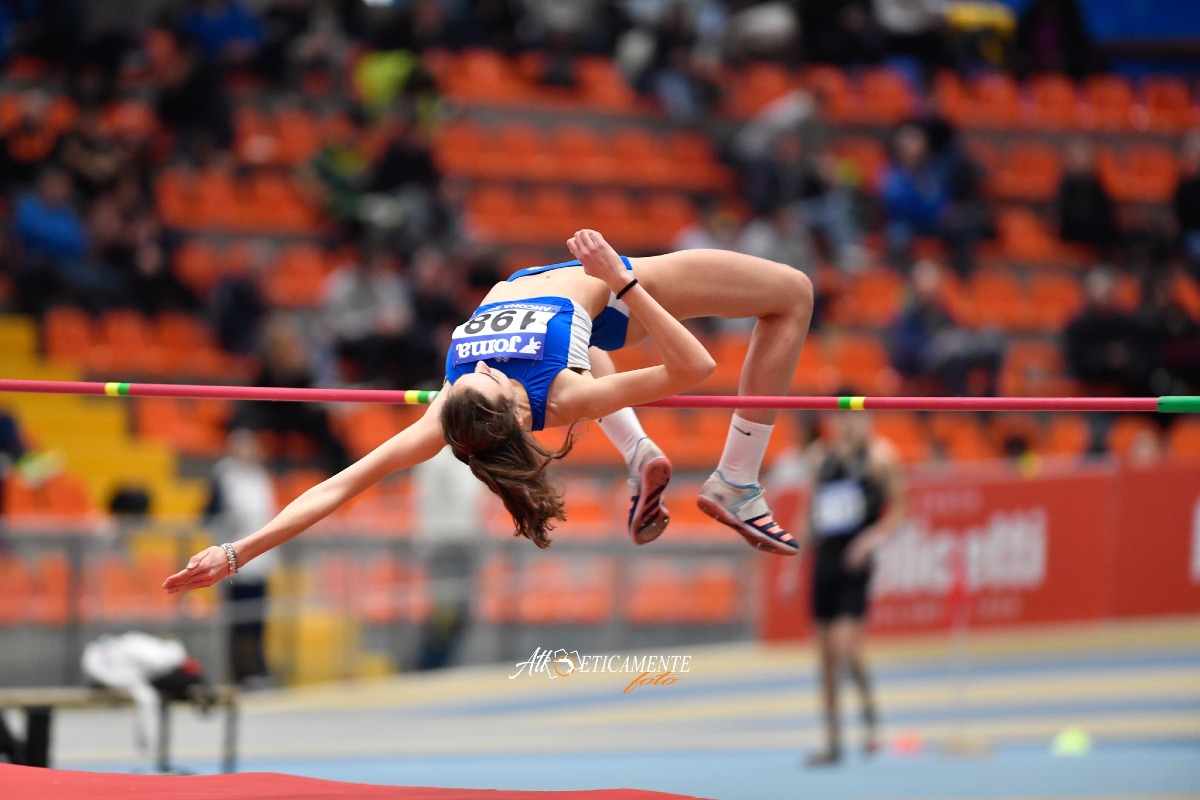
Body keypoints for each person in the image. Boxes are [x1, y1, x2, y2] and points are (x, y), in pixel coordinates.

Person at [164, 229, 814, 594]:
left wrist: (235, 551)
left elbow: (338, 487)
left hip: (569, 296)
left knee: (594, 355)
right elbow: (695, 369)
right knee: (792, 294)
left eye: (467, 376)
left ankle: (639, 453)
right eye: (485, 381)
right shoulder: (558, 396)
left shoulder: (451, 409)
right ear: (513, 409)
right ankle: (735, 479)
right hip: (607, 287)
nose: (476, 369)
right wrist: (623, 282)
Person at [801, 409, 906, 767]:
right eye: (840, 418)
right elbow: (808, 510)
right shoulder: (820, 458)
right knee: (827, 658)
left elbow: (899, 510)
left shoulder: (880, 459)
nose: (847, 425)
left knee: (846, 648)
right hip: (825, 561)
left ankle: (869, 717)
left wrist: (870, 541)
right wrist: (794, 559)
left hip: (855, 563)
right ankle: (833, 741)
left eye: (855, 418)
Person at [202, 429, 278, 686]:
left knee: (257, 620)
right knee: (237, 621)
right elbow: (208, 515)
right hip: (234, 561)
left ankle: (258, 669)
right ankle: (238, 673)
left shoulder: (260, 477)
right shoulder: (225, 476)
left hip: (260, 561)